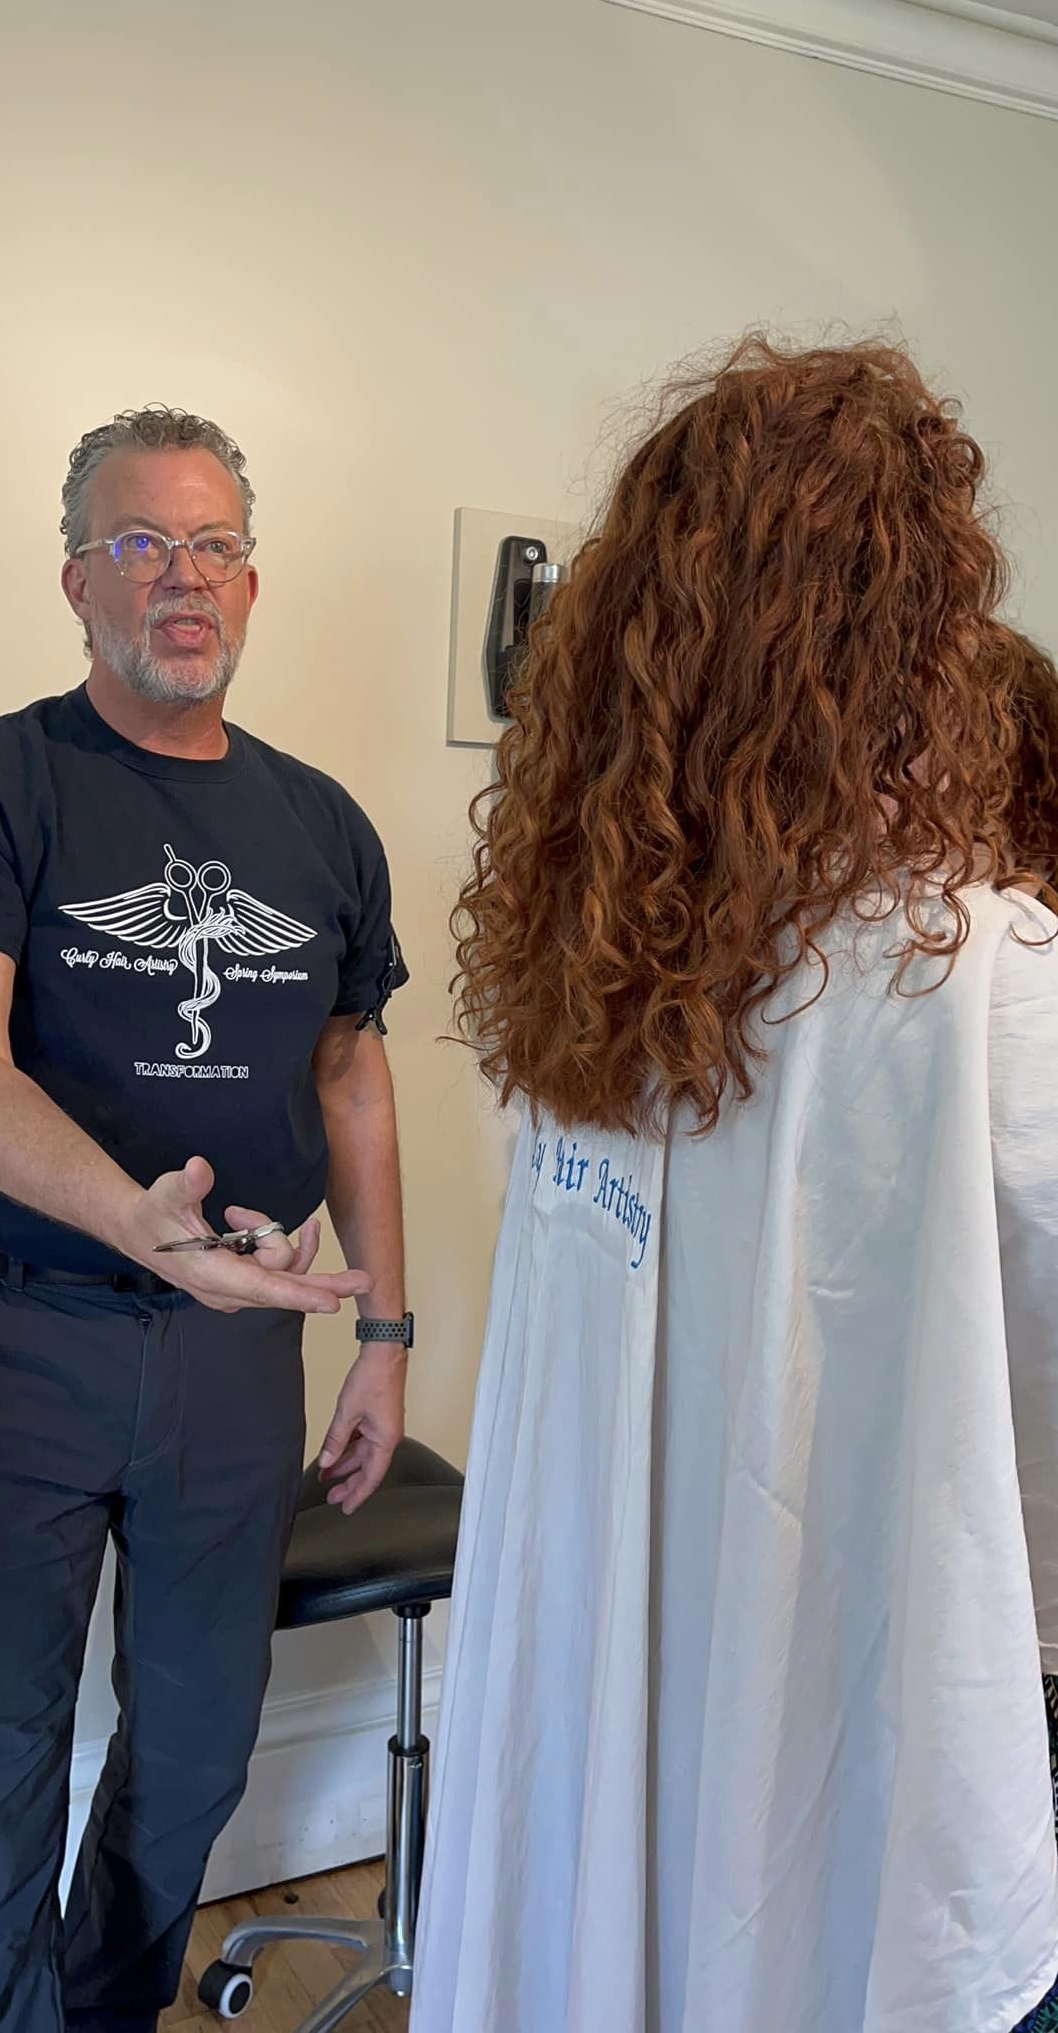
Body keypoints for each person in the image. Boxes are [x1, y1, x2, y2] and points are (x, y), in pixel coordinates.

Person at [411, 340, 1058, 2033]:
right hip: (822, 1734)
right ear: (913, 643)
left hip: (606, 1705)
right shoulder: (979, 986)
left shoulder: (585, 966)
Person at [0, 406, 413, 2033]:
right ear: (78, 581)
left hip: (231, 1355)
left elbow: (352, 1075)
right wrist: (144, 1225)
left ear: (251, 584)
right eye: (140, 544)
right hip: (17, 1338)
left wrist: (386, 1334)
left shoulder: (323, 823)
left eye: (213, 546)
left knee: (193, 1751)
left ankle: (104, 2014)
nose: (181, 577)